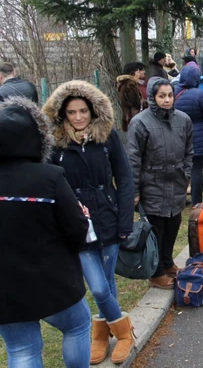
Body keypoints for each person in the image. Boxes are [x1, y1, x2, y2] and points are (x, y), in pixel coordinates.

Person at [43, 81, 136, 364]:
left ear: (93, 111)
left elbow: (125, 178)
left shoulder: (106, 138)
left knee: (104, 283)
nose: (79, 117)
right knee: (98, 285)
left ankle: (102, 335)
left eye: (83, 110)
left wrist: (124, 222)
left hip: (108, 218)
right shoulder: (56, 146)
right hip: (77, 223)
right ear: (62, 114)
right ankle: (122, 333)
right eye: (72, 112)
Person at [0, 97, 91, 368]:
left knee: (22, 350)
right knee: (77, 326)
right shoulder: (49, 177)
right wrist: (82, 220)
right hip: (54, 281)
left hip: (5, 288)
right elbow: (77, 230)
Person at [127, 78, 193, 290]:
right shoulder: (140, 122)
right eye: (162, 96)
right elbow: (133, 159)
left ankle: (167, 262)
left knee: (173, 224)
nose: (167, 100)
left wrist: (186, 176)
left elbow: (189, 152)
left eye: (170, 95)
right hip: (152, 184)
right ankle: (155, 272)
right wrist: (134, 191)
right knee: (156, 229)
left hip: (175, 182)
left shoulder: (183, 120)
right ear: (153, 98)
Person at [174, 65, 203, 205]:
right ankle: (196, 202)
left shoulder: (172, 92)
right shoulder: (199, 94)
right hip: (197, 136)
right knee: (197, 170)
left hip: (177, 135)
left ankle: (178, 198)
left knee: (178, 168)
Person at [117, 62, 147, 131]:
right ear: (133, 72)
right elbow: (137, 103)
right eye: (138, 71)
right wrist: (149, 104)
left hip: (130, 118)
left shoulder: (126, 83)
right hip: (133, 118)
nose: (139, 73)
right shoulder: (130, 85)